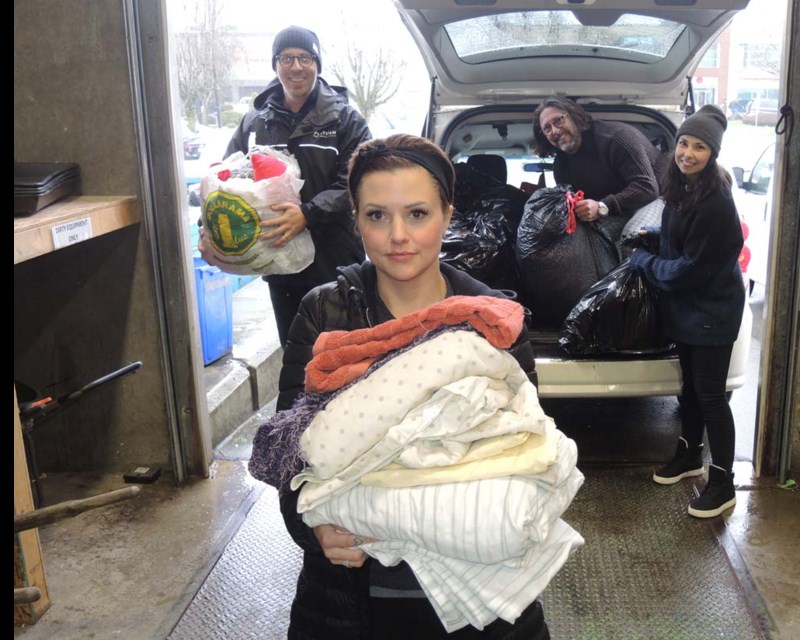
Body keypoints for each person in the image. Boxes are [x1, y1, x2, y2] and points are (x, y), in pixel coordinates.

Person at [274, 133, 548, 639]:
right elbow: (286, 451)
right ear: (355, 220)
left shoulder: (493, 318)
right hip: (355, 600)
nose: (398, 235)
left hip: (479, 596)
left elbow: (536, 449)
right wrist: (311, 529)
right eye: (377, 215)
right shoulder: (324, 312)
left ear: (447, 214)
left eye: (418, 214)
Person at [199, 25, 370, 345]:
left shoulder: (345, 120)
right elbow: (223, 181)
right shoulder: (255, 122)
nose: (296, 67)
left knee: (342, 354)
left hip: (335, 260)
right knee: (295, 353)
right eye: (287, 58)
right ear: (275, 64)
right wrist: (207, 229)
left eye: (305, 58)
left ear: (317, 65)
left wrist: (307, 213)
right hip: (280, 264)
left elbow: (360, 182)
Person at [626, 104, 745, 519]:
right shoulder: (682, 186)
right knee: (690, 391)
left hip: (712, 309)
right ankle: (689, 455)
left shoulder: (715, 200)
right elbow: (682, 237)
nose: (687, 153)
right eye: (683, 143)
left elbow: (690, 269)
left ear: (712, 154)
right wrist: (654, 235)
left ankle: (723, 483)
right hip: (690, 308)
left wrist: (644, 262)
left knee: (711, 396)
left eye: (699, 147)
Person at [531, 95, 663, 223]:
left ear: (574, 117)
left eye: (558, 120)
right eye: (547, 128)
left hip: (657, 198)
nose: (555, 131)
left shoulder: (615, 138)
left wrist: (601, 207)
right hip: (614, 212)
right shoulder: (561, 166)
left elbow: (647, 188)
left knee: (633, 235)